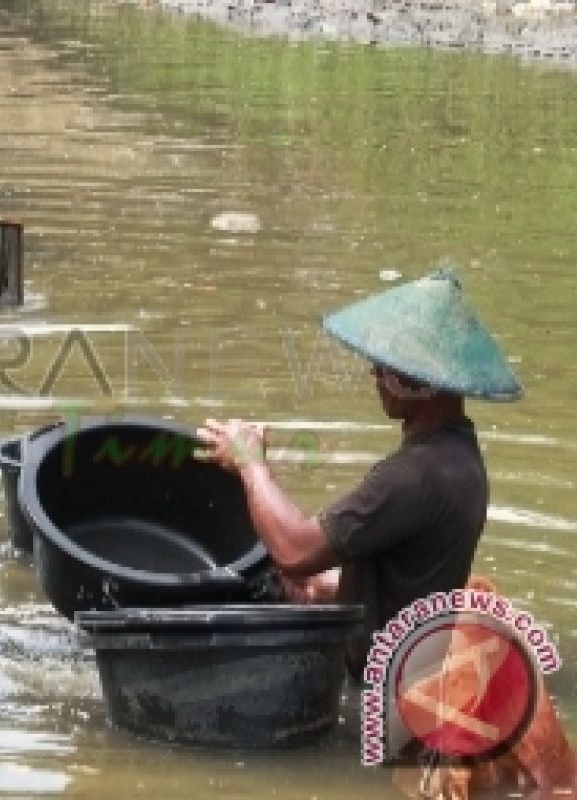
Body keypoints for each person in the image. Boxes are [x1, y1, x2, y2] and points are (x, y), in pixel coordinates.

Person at [195, 268, 522, 678]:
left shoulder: (415, 476)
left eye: (384, 367)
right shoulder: (459, 456)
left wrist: (250, 462)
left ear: (418, 381)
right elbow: (410, 575)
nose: (375, 376)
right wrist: (325, 588)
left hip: (380, 695)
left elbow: (294, 551)